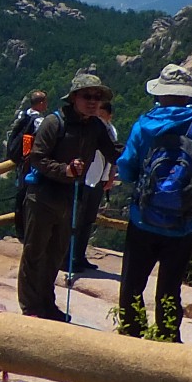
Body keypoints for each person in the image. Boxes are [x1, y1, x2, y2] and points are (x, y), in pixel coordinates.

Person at [114, 64, 192, 342]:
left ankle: (130, 336)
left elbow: (124, 168)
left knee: (133, 283)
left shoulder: (144, 125)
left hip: (142, 218)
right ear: (187, 96)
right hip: (185, 222)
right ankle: (168, 336)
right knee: (170, 286)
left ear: (160, 94)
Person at [16, 74, 114, 321]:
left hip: (71, 197)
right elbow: (37, 157)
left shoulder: (96, 127)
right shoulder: (54, 122)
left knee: (57, 254)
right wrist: (65, 170)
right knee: (34, 252)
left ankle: (47, 304)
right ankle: (30, 308)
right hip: (43, 195)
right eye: (87, 96)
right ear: (73, 98)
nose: (93, 102)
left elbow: (114, 152)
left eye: (97, 97)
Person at [66, 98, 119, 276]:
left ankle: (80, 256)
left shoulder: (110, 131)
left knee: (88, 220)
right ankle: (68, 257)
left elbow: (113, 156)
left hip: (98, 179)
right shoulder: (90, 129)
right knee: (76, 220)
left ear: (109, 115)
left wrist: (110, 178)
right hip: (85, 179)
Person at [4, 90, 49, 239]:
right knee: (30, 196)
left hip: (21, 161)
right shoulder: (38, 121)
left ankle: (20, 229)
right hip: (31, 164)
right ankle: (28, 230)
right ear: (41, 103)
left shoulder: (23, 115)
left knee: (21, 194)